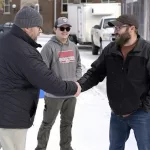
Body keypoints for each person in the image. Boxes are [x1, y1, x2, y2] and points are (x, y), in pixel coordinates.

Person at [0, 6, 81, 150]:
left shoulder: (4, 41)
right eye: (38, 27)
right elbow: (46, 79)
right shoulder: (24, 51)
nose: (40, 31)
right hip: (11, 119)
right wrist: (73, 87)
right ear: (28, 27)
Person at [78, 14, 150, 150]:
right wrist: (78, 86)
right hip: (117, 113)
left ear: (132, 28)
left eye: (118, 27)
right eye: (114, 27)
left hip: (141, 114)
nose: (115, 31)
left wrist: (145, 106)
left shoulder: (146, 51)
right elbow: (95, 73)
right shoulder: (111, 50)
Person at [35, 17, 82, 150]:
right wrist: (55, 85)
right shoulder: (49, 48)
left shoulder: (73, 46)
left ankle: (66, 147)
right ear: (55, 29)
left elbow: (79, 65)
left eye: (67, 28)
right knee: (47, 123)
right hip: (54, 95)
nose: (65, 31)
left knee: (67, 123)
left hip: (71, 94)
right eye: (62, 28)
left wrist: (76, 82)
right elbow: (43, 71)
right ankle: (40, 147)